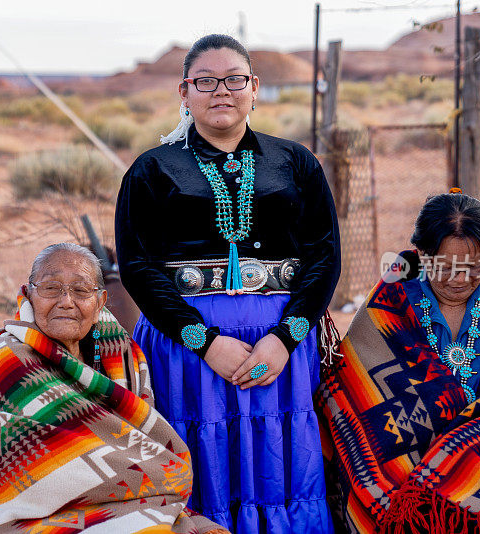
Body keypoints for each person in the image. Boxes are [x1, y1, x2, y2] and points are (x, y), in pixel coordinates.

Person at [115, 34, 339, 534]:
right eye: (206, 81)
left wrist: (285, 339)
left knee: (283, 463)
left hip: (280, 344)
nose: (222, 91)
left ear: (254, 87)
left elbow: (323, 258)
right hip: (186, 348)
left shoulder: (296, 162)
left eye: (234, 79)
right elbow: (137, 266)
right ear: (184, 91)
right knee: (200, 455)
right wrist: (205, 341)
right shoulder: (152, 170)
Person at [0, 243, 228, 534]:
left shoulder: (122, 353)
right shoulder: (9, 358)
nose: (66, 301)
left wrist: (145, 476)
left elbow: (138, 432)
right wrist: (157, 475)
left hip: (123, 496)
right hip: (32, 508)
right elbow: (42, 460)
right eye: (51, 288)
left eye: (81, 291)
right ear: (28, 294)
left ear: (100, 301)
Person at [314, 191, 480, 533]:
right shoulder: (394, 295)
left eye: (473, 266)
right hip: (408, 469)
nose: (460, 279)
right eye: (446, 267)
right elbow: (350, 389)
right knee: (405, 517)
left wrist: (462, 444)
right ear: (422, 255)